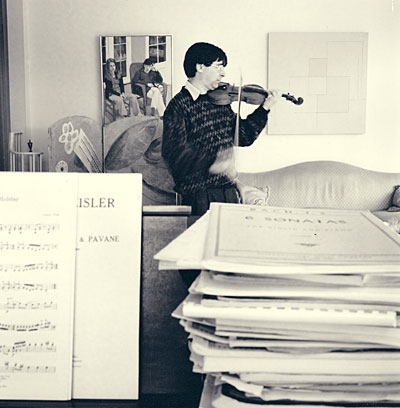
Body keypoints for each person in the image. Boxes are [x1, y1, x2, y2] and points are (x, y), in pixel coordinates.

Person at [161, 42, 280, 217]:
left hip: (229, 191)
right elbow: (173, 154)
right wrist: (213, 163)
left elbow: (243, 136)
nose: (223, 73)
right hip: (199, 195)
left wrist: (264, 109)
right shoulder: (178, 106)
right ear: (200, 67)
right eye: (218, 67)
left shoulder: (220, 101)